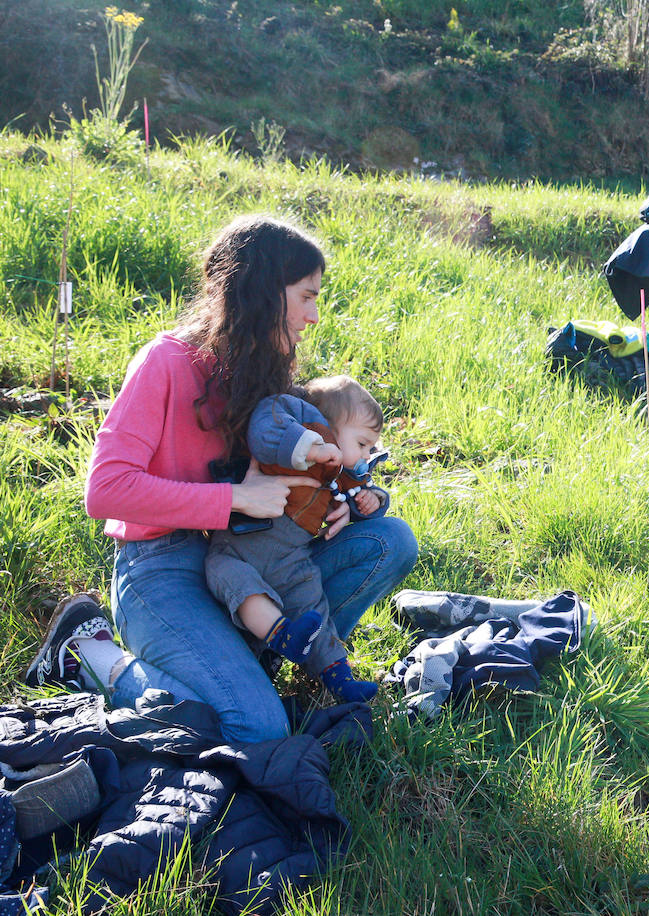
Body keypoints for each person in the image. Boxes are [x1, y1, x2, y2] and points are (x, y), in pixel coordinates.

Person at [25, 215, 418, 742]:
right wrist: (234, 497)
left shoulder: (263, 372)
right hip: (160, 568)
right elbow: (106, 491)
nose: (314, 315)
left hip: (249, 557)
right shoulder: (164, 363)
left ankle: (273, 665)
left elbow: (316, 462)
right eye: (305, 296)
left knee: (388, 541)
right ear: (262, 292)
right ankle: (90, 657)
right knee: (256, 726)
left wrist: (346, 500)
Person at [205, 376, 395, 703]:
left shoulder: (344, 471)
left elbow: (361, 488)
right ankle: (279, 638)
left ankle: (339, 680)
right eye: (362, 443)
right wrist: (314, 446)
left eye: (370, 449)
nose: (365, 455)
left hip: (291, 557)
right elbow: (267, 430)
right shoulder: (298, 428)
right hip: (236, 550)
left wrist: (373, 499)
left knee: (313, 607)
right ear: (330, 425)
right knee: (238, 583)